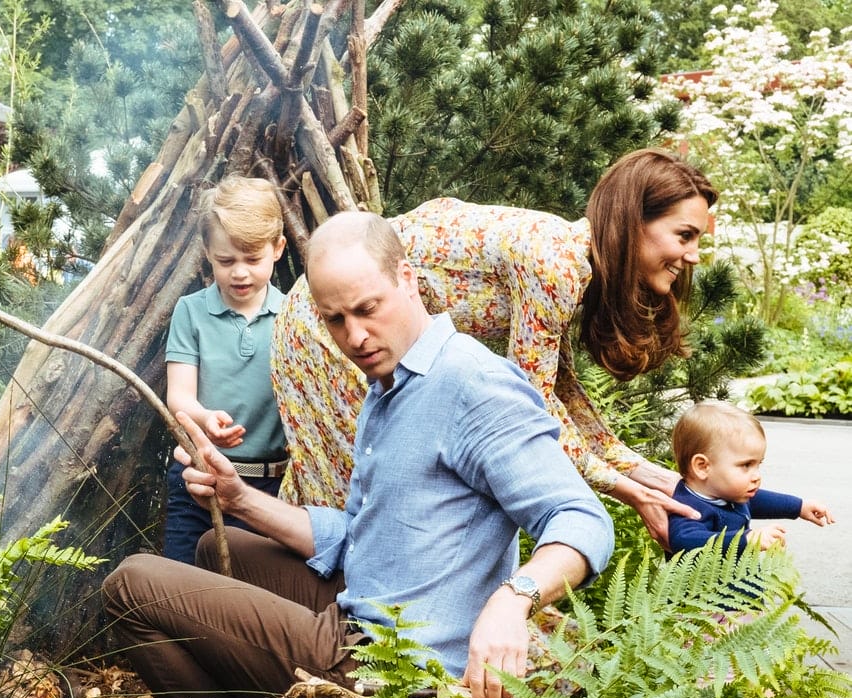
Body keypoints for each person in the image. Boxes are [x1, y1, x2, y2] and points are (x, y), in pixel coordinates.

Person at [104, 212, 613, 698]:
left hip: (392, 666)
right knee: (213, 549)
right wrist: (240, 499)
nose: (356, 337)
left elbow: (581, 519)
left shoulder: (474, 385)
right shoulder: (389, 385)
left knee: (131, 583)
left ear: (409, 280)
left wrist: (513, 600)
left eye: (368, 309)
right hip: (369, 603)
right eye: (335, 320)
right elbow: (363, 537)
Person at [272, 148, 717, 550]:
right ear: (634, 221)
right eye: (684, 235)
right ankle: (343, 628)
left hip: (343, 319)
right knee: (360, 494)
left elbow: (560, 391)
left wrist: (644, 473)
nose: (693, 255)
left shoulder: (571, 261)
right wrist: (624, 489)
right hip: (323, 322)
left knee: (350, 487)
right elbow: (535, 408)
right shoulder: (556, 263)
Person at [162, 176, 290, 564]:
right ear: (207, 252)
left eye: (253, 259)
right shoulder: (191, 311)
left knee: (252, 598)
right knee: (184, 589)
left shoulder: (292, 316)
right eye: (226, 260)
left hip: (270, 486)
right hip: (198, 477)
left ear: (278, 249)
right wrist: (204, 418)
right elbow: (179, 395)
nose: (240, 273)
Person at [667, 400, 833, 562]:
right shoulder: (688, 507)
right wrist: (746, 539)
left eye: (758, 464)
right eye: (746, 465)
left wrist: (800, 506)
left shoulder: (728, 493)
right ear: (702, 467)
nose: (756, 476)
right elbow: (684, 540)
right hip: (706, 588)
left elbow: (757, 500)